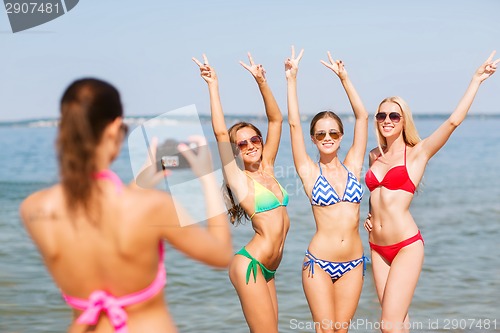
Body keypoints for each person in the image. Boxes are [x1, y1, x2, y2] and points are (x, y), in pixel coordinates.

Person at [19, 78, 233, 333]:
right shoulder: (153, 207)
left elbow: (101, 221)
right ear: (114, 129)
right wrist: (207, 176)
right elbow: (221, 254)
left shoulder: (34, 209)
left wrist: (142, 180)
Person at [364, 51, 499, 333]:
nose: (387, 120)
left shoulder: (418, 153)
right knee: (398, 322)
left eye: (393, 115)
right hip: (376, 247)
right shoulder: (374, 155)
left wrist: (476, 80)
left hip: (405, 246)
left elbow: (452, 122)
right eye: (381, 115)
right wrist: (369, 216)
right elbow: (377, 197)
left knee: (387, 326)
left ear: (403, 120)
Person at [193, 53, 289, 333]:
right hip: (251, 265)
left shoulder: (268, 166)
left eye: (254, 139)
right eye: (242, 143)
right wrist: (213, 86)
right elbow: (221, 134)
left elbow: (276, 120)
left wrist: (262, 81)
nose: (250, 145)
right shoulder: (238, 177)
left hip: (269, 269)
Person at [285, 46, 369, 333]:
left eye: (333, 132)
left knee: (341, 330)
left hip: (354, 262)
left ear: (341, 136)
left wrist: (344, 78)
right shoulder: (309, 171)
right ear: (313, 139)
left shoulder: (353, 166)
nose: (327, 137)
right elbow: (294, 124)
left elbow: (363, 117)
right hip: (319, 263)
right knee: (325, 330)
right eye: (320, 133)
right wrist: (291, 79)